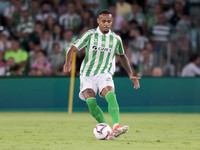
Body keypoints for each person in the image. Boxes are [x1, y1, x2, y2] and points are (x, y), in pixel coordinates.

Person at [63, 9, 140, 139]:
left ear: (112, 22)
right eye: (103, 21)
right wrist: (67, 63)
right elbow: (72, 49)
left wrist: (130, 74)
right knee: (91, 103)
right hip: (87, 75)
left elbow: (122, 56)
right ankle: (107, 130)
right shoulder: (90, 35)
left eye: (109, 21)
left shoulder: (116, 39)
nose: (106, 24)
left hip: (105, 73)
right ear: (98, 21)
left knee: (111, 95)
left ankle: (116, 126)